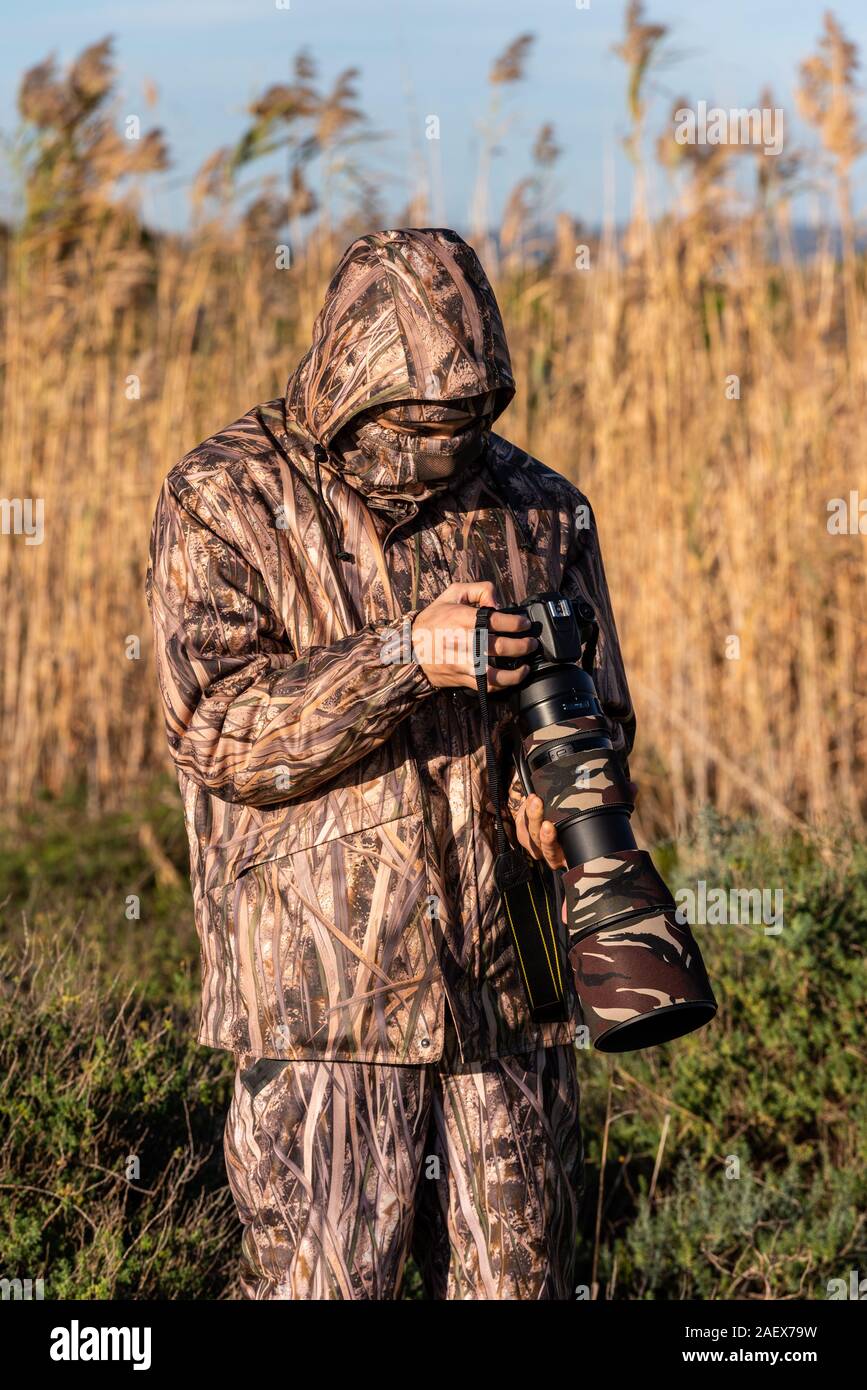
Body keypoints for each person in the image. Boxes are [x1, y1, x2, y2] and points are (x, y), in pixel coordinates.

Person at [146, 227, 634, 1300]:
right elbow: (216, 730)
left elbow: (600, 714)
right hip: (324, 1013)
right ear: (349, 383)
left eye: (463, 422)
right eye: (417, 423)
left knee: (523, 1288)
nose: (441, 447)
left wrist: (553, 798)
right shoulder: (225, 497)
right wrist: (405, 657)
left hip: (507, 996)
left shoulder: (539, 509)